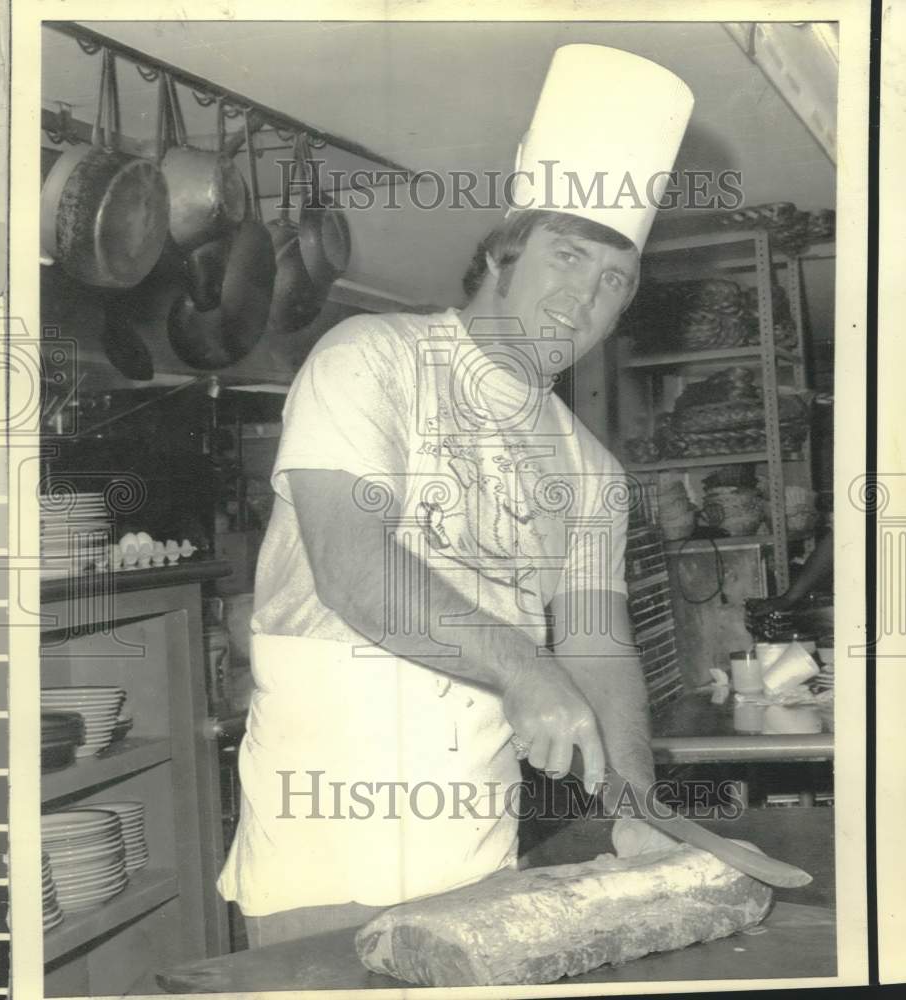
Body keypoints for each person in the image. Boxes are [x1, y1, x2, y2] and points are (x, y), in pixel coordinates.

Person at [218, 44, 695, 949]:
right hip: (320, 837)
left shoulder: (590, 470)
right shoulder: (372, 359)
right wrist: (524, 669)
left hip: (478, 847)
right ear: (503, 255)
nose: (582, 298)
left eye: (612, 282)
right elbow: (355, 570)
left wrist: (636, 803)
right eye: (565, 258)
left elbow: (597, 646)